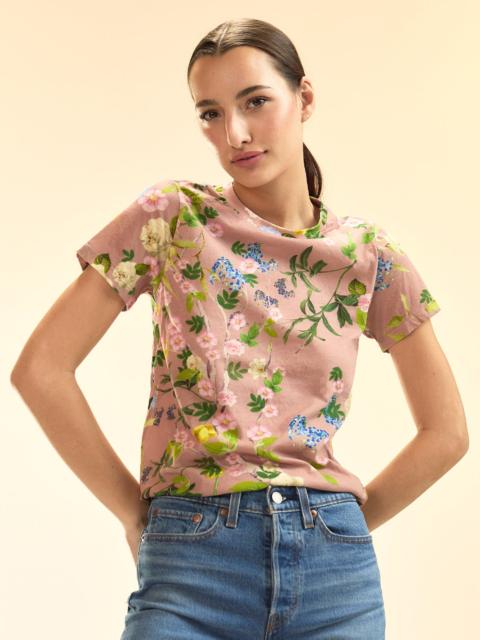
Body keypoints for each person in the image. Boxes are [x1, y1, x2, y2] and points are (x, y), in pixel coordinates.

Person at [10, 17, 469, 640]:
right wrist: (131, 512)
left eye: (255, 102)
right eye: (211, 113)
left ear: (304, 98)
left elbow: (447, 433)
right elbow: (41, 369)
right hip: (190, 562)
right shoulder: (174, 217)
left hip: (336, 580)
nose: (236, 134)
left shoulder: (367, 254)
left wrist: (346, 527)